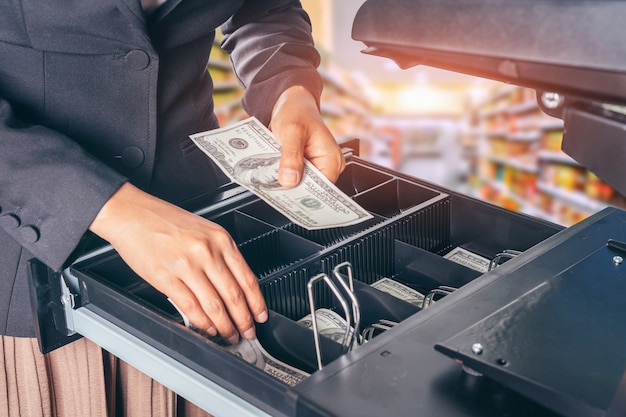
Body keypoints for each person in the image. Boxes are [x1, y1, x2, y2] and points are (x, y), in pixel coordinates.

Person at [0, 1, 345, 416]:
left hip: (206, 232)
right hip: (35, 258)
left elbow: (265, 7)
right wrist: (111, 207)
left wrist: (290, 88)